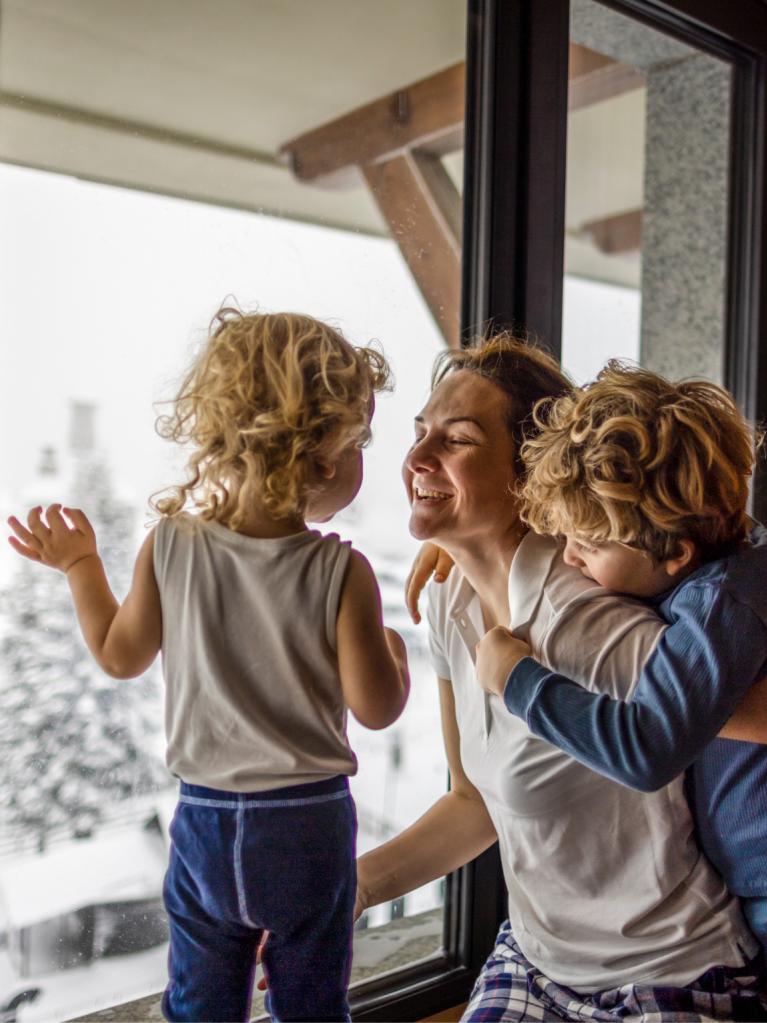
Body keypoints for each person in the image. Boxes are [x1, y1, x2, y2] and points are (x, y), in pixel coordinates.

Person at [7, 308, 410, 1023]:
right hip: (307, 823)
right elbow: (377, 707)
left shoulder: (171, 545)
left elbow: (118, 654)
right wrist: (397, 654)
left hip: (204, 820)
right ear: (321, 455)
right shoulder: (340, 571)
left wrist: (80, 565)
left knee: (201, 1001)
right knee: (310, 1002)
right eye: (358, 442)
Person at [358, 335, 767, 1022]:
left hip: (668, 968)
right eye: (419, 432)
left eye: (454, 439)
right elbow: (473, 802)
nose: (416, 458)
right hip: (536, 959)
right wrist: (352, 887)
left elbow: (674, 728)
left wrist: (523, 678)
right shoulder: (444, 601)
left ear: (530, 473)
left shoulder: (593, 616)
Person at [466, 361, 767, 951]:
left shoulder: (717, 606)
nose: (571, 557)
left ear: (676, 553)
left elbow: (646, 748)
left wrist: (517, 680)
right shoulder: (729, 556)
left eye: (590, 544)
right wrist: (463, 551)